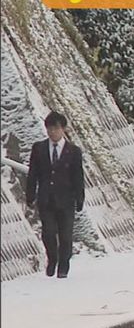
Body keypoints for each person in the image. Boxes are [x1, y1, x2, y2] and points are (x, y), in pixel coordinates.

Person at [26, 111, 85, 278]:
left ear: (63, 129)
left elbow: (78, 176)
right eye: (49, 129)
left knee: (66, 236)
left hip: (66, 200)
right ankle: (52, 258)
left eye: (56, 128)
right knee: (48, 233)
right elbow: (33, 174)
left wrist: (80, 198)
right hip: (46, 199)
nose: (52, 132)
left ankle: (63, 265)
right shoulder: (39, 148)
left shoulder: (73, 151)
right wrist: (30, 195)